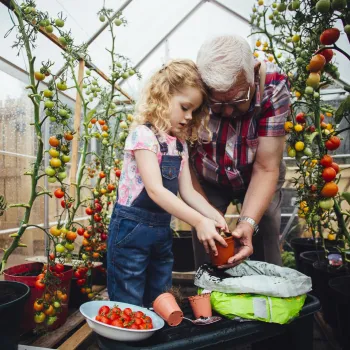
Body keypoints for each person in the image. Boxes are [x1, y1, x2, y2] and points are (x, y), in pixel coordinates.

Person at [107, 59, 229, 307]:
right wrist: (198, 221)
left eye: (193, 111)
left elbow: (188, 192)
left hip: (161, 231)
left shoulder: (179, 144)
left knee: (160, 296)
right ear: (163, 96)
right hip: (131, 231)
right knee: (128, 297)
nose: (188, 117)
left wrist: (214, 216)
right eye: (184, 107)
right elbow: (155, 190)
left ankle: (155, 341)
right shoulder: (144, 135)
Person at [190, 35, 290, 269]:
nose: (226, 112)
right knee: (206, 235)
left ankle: (268, 290)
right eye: (216, 103)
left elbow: (266, 167)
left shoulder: (274, 86)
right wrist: (205, 215)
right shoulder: (190, 85)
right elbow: (183, 165)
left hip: (258, 169)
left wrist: (247, 222)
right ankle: (207, 293)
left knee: (266, 223)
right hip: (208, 175)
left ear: (254, 72)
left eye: (237, 101)